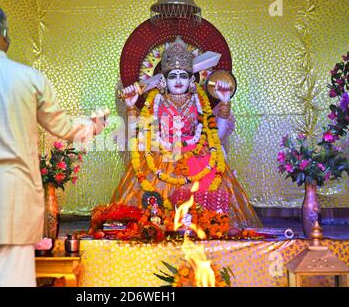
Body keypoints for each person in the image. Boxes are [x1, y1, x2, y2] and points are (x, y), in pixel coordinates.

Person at [0, 4, 104, 287]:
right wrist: (93, 125)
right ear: (5, 33)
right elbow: (64, 129)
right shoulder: (30, 79)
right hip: (15, 201)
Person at [111, 37, 261, 228]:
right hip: (160, 155)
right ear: (163, 81)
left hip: (199, 156)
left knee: (212, 202)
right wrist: (131, 108)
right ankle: (159, 227)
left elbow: (218, 135)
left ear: (192, 80)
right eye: (173, 76)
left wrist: (224, 103)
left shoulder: (199, 101)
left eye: (183, 76)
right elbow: (137, 136)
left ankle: (206, 227)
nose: (179, 81)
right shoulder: (154, 101)